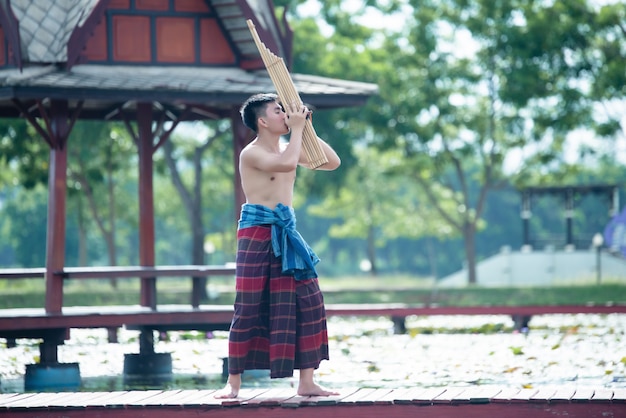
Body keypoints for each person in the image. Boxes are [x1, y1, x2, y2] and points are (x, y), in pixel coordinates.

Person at [215, 93, 341, 399]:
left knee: (308, 301)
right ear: (262, 121)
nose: (285, 114)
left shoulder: (291, 147)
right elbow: (284, 165)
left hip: (286, 232)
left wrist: (306, 126)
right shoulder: (251, 153)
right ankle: (233, 382)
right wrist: (297, 130)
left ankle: (307, 381)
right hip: (257, 231)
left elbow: (331, 162)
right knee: (248, 306)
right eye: (278, 111)